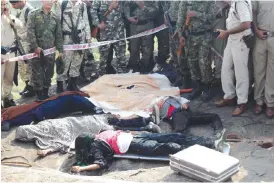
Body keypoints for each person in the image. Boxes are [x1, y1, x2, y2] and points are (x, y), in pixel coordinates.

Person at [70, 126, 226, 173]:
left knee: (174, 138)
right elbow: (101, 162)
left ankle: (210, 143)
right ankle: (210, 146)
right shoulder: (97, 139)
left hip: (135, 139)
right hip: (134, 141)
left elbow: (100, 162)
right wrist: (82, 168)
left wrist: (82, 167)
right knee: (172, 144)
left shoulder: (98, 138)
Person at [215, 0, 252, 116]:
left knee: (241, 72)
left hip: (240, 40)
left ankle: (242, 103)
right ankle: (229, 96)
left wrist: (226, 32)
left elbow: (246, 24)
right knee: (226, 68)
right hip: (232, 40)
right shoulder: (234, 3)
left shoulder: (240, 2)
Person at [176, 1, 216, 101]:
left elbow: (212, 17)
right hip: (190, 36)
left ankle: (207, 87)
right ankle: (197, 87)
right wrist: (181, 36)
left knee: (204, 62)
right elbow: (180, 19)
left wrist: (197, 14)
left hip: (205, 36)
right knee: (192, 62)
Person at [27, 0, 63, 100]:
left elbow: (58, 35)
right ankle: (39, 95)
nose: (50, 2)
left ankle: (46, 93)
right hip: (37, 52)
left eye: (52, 0)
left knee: (49, 73)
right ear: (42, 1)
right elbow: (30, 31)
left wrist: (60, 50)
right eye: (47, 0)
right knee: (37, 74)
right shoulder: (33, 14)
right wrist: (35, 47)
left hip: (50, 52)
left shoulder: (55, 17)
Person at [56, 0, 90, 93]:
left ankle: (72, 84)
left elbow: (86, 21)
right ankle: (60, 86)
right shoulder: (61, 4)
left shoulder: (82, 5)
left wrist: (88, 37)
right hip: (67, 38)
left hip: (80, 37)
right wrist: (58, 40)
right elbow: (58, 23)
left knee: (77, 62)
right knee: (64, 63)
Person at [252, 1, 274, 118]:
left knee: (272, 72)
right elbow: (253, 14)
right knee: (259, 71)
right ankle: (258, 101)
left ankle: (270, 102)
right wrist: (256, 31)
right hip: (260, 36)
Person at [10, 0, 35, 98]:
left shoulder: (29, 11)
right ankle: (27, 86)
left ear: (20, 1)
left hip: (27, 44)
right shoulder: (20, 10)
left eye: (14, 4)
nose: (13, 6)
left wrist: (21, 37)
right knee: (22, 68)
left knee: (29, 67)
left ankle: (32, 88)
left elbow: (31, 29)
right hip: (20, 44)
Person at [124, 1, 158, 73]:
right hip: (134, 26)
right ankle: (135, 67)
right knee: (134, 48)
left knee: (147, 48)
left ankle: (144, 66)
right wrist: (128, 17)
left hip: (147, 24)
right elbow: (125, 6)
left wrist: (143, 6)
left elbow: (155, 11)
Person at [1, 0, 23, 108]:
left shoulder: (9, 16)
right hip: (0, 53)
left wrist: (9, 16)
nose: (3, 7)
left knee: (9, 78)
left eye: (5, 4)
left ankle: (7, 98)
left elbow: (20, 25)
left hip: (10, 52)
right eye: (1, 5)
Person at [166, 1, 191, 89]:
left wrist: (180, 29)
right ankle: (179, 75)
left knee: (182, 55)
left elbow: (185, 13)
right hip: (171, 26)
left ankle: (187, 79)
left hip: (180, 28)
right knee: (174, 54)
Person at [152, 1, 170, 71]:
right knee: (149, 42)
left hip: (162, 17)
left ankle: (161, 61)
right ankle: (150, 62)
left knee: (163, 41)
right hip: (150, 18)